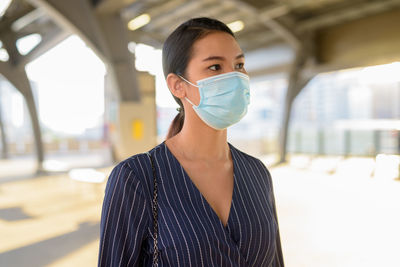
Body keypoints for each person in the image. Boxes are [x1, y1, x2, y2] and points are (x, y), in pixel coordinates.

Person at [98, 17, 284, 267]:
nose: (235, 77)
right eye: (215, 67)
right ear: (178, 85)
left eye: (239, 65)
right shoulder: (137, 178)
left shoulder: (257, 173)